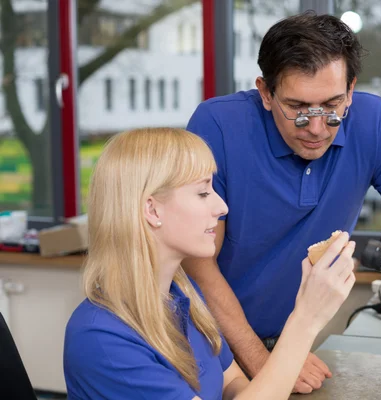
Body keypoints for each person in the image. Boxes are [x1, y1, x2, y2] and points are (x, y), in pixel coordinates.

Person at [184, 11, 381, 399]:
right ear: (265, 92)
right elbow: (199, 263)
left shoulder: (372, 121)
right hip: (210, 344)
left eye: (333, 105)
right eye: (297, 108)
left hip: (289, 341)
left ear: (351, 89)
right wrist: (266, 361)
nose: (316, 128)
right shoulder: (219, 125)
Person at [63, 128, 356, 399]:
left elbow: (232, 383)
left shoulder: (184, 295)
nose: (221, 207)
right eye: (203, 192)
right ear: (152, 210)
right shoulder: (102, 339)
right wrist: (305, 320)